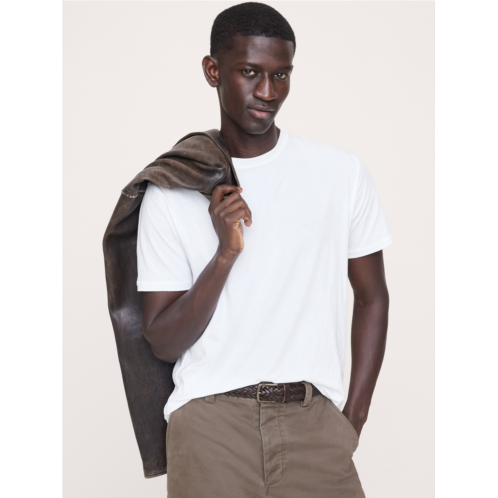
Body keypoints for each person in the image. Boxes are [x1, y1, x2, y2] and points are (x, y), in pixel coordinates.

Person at [137, 3, 393, 497]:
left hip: (314, 425)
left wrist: (352, 419)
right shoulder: (171, 190)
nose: (268, 92)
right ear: (213, 71)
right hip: (210, 429)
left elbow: (372, 296)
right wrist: (225, 255)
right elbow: (163, 341)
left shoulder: (340, 174)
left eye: (281, 74)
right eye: (250, 72)